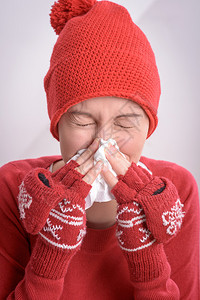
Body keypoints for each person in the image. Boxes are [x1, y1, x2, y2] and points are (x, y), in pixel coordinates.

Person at [0, 0, 199, 299]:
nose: (102, 143)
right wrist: (50, 257)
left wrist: (149, 263)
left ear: (148, 125)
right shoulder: (15, 188)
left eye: (125, 122)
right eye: (82, 120)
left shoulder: (174, 192)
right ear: (57, 124)